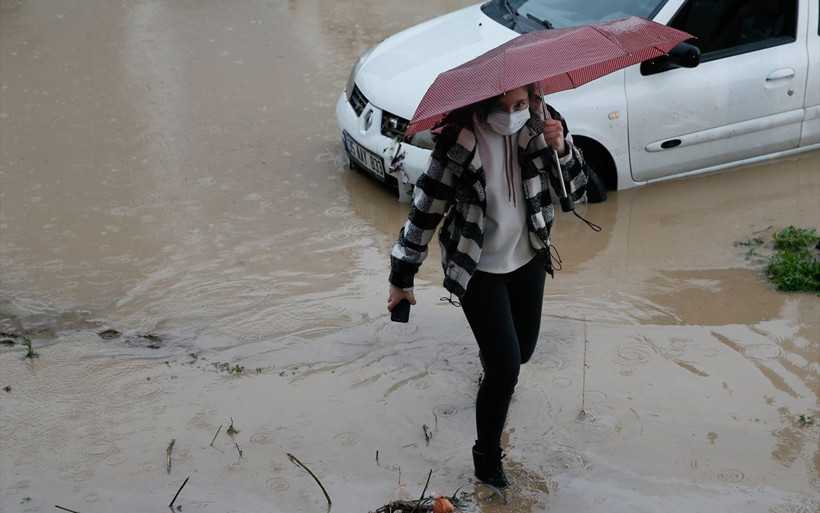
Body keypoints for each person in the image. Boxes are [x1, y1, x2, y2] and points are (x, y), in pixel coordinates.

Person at [387, 84, 588, 488]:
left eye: (519, 104)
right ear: (481, 105)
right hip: (476, 267)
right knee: (506, 368)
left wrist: (563, 148)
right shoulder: (456, 144)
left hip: (529, 257)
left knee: (523, 353)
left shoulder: (542, 124)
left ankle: (493, 362)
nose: (513, 114)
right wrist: (402, 277)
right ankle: (487, 462)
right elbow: (426, 209)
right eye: (503, 106)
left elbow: (580, 192)